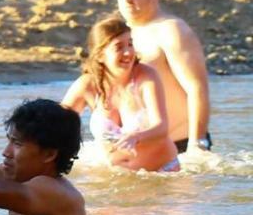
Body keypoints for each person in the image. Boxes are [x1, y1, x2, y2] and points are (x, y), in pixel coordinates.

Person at [62, 15, 180, 173]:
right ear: (100, 55)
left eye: (130, 44)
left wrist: (136, 137)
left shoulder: (146, 76)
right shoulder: (87, 85)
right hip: (116, 177)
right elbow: (57, 125)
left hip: (161, 173)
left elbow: (162, 128)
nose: (128, 52)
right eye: (119, 47)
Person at [116, 0, 211, 154]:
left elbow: (197, 88)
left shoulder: (171, 30)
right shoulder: (120, 36)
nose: (127, 0)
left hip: (179, 146)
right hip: (137, 149)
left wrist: (197, 144)